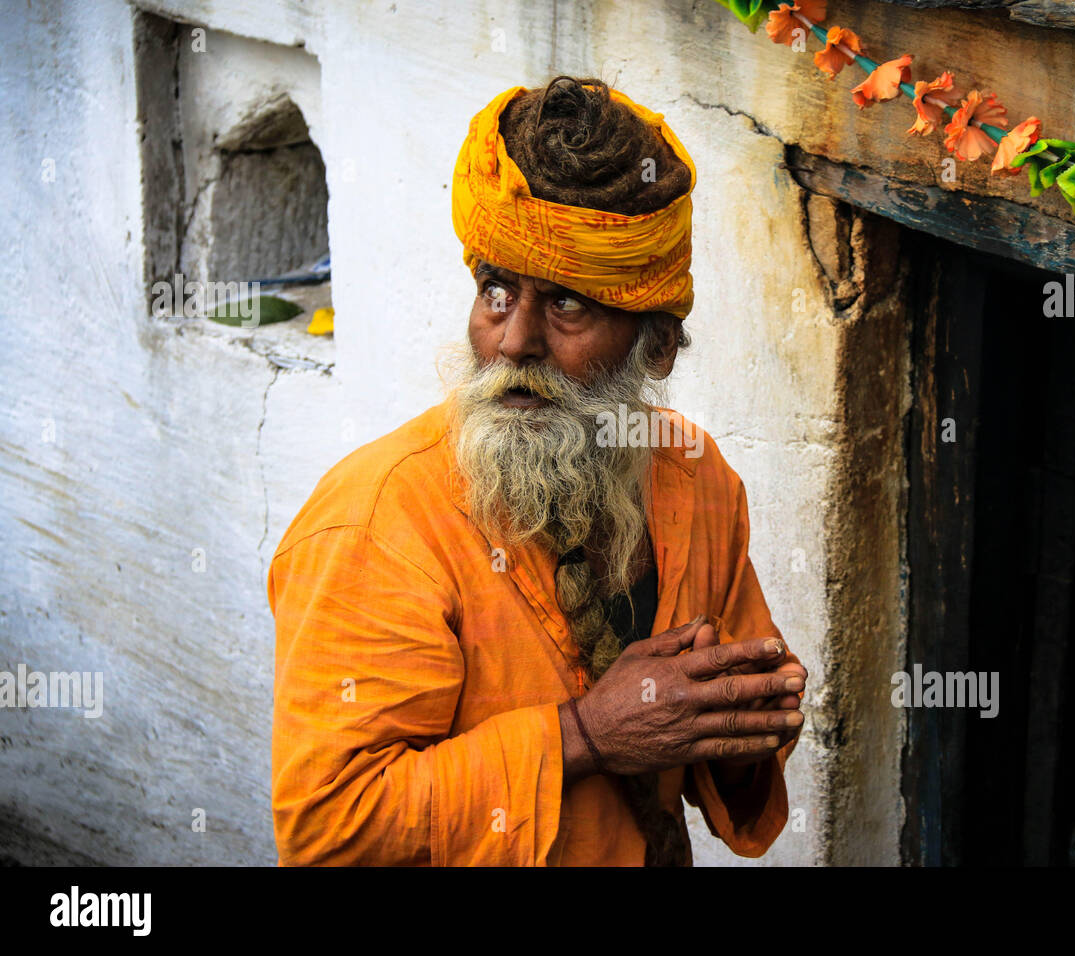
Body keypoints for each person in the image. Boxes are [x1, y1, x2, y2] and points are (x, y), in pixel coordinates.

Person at [268, 76, 806, 866]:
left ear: (655, 346)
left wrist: (744, 727)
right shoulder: (377, 522)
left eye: (567, 306)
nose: (515, 342)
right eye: (496, 292)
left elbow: (730, 743)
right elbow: (329, 830)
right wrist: (586, 736)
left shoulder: (693, 476)